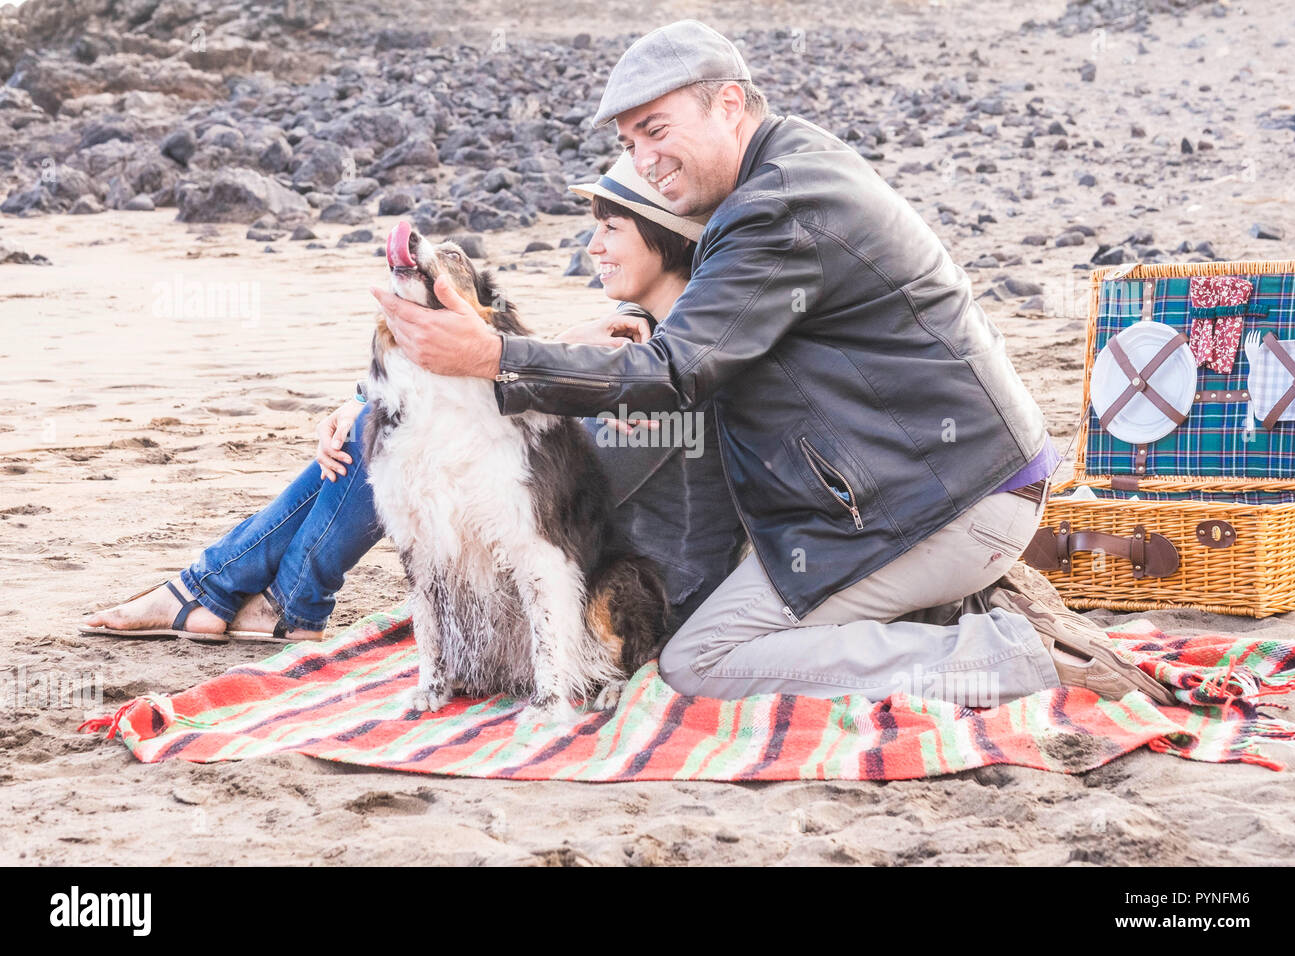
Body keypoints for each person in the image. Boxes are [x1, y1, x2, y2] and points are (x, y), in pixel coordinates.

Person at [370, 20, 1176, 707]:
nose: (643, 161)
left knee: (703, 662)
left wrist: (496, 356)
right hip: (916, 490)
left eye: (657, 130)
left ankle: (1003, 662)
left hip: (945, 504)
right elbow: (692, 331)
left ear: (728, 103)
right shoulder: (782, 174)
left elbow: (677, 369)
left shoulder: (777, 209)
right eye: (627, 143)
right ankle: (943, 610)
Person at [81, 153, 748, 644]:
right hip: (570, 558)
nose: (591, 244)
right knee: (384, 424)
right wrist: (366, 395)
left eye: (612, 228)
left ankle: (234, 593)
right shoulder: (641, 331)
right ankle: (256, 597)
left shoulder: (673, 359)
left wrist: (394, 406)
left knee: (404, 432)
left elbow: (567, 469)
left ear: (668, 236)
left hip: (622, 598)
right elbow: (537, 402)